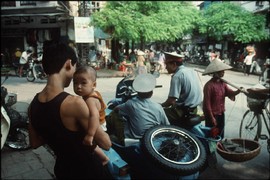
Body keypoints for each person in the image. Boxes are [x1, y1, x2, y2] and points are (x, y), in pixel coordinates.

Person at [28, 41, 111, 179]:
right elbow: (106, 144)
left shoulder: (33, 105)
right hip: (88, 172)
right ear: (68, 64)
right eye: (74, 67)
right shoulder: (74, 103)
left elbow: (34, 143)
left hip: (62, 171)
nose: (74, 72)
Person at [106, 73, 170, 145]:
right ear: (151, 93)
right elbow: (166, 125)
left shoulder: (131, 104)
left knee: (114, 115)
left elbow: (116, 109)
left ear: (138, 92)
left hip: (133, 140)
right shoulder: (158, 107)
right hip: (152, 141)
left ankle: (111, 135)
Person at [73, 66, 109, 166]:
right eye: (75, 83)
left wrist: (90, 135)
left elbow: (94, 116)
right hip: (99, 122)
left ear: (94, 85)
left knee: (89, 144)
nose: (78, 86)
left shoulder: (90, 100)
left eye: (83, 83)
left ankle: (104, 158)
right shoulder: (93, 93)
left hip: (98, 125)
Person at [202, 59, 242, 138]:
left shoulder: (222, 83)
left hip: (221, 113)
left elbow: (230, 92)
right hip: (212, 115)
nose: (223, 73)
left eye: (223, 71)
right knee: (212, 135)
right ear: (215, 73)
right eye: (221, 71)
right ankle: (210, 150)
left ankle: (219, 148)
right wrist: (212, 118)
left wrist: (238, 91)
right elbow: (207, 104)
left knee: (220, 134)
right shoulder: (209, 86)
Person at [161, 52, 203, 127]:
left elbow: (171, 101)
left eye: (167, 65)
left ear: (174, 64)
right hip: (195, 108)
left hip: (184, 111)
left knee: (158, 114)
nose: (166, 67)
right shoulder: (190, 71)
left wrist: (159, 105)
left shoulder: (177, 76)